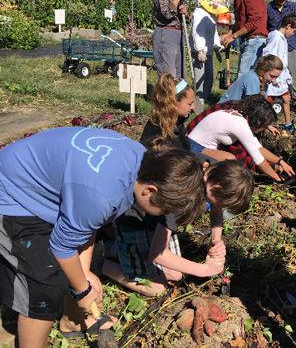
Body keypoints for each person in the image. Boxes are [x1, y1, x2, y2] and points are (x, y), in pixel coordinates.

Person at [0, 127, 204, 346]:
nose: (163, 215)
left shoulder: (140, 161)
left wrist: (85, 272)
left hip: (45, 187)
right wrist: (82, 289)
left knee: (93, 257)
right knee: (45, 286)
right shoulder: (102, 196)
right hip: (13, 194)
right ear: (150, 191)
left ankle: (72, 322)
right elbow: (62, 246)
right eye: (164, 210)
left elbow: (89, 225)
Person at [101, 160, 254, 297]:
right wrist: (204, 270)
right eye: (223, 204)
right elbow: (158, 254)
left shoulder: (212, 168)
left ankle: (119, 252)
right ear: (217, 187)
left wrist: (216, 240)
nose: (221, 208)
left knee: (175, 274)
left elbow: (216, 208)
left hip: (157, 221)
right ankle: (100, 262)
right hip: (132, 221)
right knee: (156, 288)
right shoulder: (184, 199)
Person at [187, 95, 295, 182]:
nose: (263, 129)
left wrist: (281, 162)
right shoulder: (240, 125)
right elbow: (258, 159)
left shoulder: (239, 117)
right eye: (264, 126)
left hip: (197, 145)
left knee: (230, 159)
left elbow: (258, 148)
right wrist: (277, 178)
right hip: (193, 147)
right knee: (231, 162)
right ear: (257, 121)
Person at [220, 0, 268, 75]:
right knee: (245, 77)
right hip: (247, 40)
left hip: (255, 40)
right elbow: (239, 22)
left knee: (244, 78)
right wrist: (229, 34)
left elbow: (253, 23)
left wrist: (233, 36)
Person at [267, 0, 296, 105]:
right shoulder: (268, 9)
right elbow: (266, 27)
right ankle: (275, 96)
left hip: (290, 44)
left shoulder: (291, 6)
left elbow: (294, 23)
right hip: (276, 45)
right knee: (276, 71)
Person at [190, 0, 229, 108]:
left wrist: (217, 48)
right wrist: (200, 50)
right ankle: (197, 102)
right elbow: (197, 33)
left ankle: (205, 98)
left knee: (209, 77)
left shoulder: (211, 15)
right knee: (199, 78)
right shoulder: (199, 13)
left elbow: (214, 34)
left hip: (209, 51)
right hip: (200, 52)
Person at [152, 0, 192, 78]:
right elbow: (167, 14)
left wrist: (187, 13)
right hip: (166, 33)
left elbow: (187, 20)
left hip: (179, 34)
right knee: (168, 71)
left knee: (180, 70)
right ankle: (167, 94)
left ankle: (178, 94)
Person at [140, 74, 195, 150]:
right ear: (174, 103)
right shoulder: (158, 133)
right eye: (190, 104)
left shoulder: (177, 123)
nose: (193, 107)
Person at [262, 14, 296, 130]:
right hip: (275, 75)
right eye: (293, 30)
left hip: (281, 74)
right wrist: (271, 73)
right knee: (268, 100)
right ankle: (264, 122)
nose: (293, 33)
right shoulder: (275, 37)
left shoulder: (282, 38)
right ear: (288, 26)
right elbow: (268, 54)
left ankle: (288, 124)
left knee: (287, 98)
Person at [219, 54, 283, 103]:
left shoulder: (264, 81)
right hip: (225, 110)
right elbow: (253, 105)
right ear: (263, 71)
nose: (273, 80)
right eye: (272, 76)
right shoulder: (252, 79)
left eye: (276, 77)